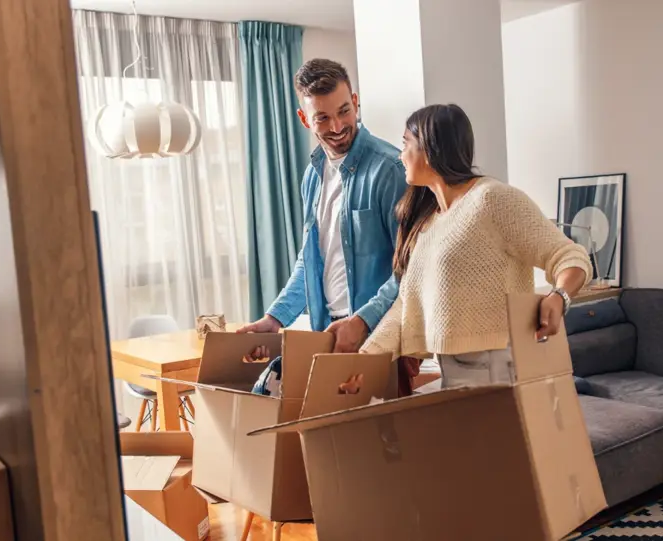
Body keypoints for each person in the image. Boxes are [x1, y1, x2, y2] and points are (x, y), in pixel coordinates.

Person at [360, 104, 592, 388]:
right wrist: (364, 360)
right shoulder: (428, 224)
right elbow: (405, 306)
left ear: (430, 149)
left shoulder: (492, 199)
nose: (401, 155)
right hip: (453, 377)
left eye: (406, 144)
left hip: (501, 375)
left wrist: (559, 297)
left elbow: (569, 256)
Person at [237, 59, 406, 393]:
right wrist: (275, 318)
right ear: (304, 120)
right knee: (327, 441)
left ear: (356, 103)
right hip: (327, 333)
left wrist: (363, 320)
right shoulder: (312, 177)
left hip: (379, 336)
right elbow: (311, 259)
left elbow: (411, 265)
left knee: (381, 443)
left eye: (344, 111)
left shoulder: (391, 169)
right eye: (323, 118)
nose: (338, 125)